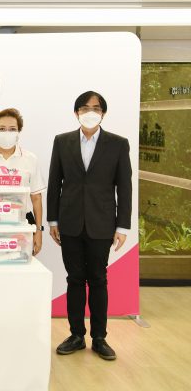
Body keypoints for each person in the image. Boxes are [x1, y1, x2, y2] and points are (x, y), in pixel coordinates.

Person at [47, 91, 132, 361]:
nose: (90, 112)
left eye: (96, 108)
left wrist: (123, 227)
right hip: (69, 222)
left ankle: (99, 338)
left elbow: (125, 187)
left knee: (98, 279)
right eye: (84, 108)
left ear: (103, 113)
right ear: (76, 113)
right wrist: (52, 220)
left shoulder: (118, 144)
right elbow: (54, 182)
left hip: (102, 223)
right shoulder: (62, 141)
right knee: (74, 279)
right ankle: (76, 335)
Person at [0, 108, 46, 255]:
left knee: (20, 260)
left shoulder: (30, 159)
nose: (7, 133)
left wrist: (38, 230)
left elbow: (36, 198)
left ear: (18, 132)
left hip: (22, 221)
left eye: (12, 129)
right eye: (2, 129)